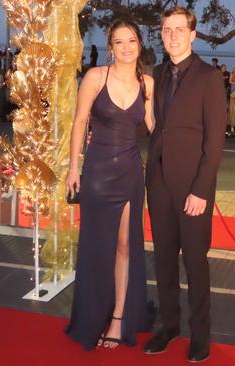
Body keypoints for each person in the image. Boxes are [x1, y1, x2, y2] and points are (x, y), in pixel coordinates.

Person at [64, 19, 155, 351]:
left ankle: (118, 316)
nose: (127, 47)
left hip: (131, 174)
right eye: (120, 42)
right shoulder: (95, 77)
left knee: (124, 247)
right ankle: (92, 314)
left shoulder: (148, 84)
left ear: (139, 45)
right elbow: (79, 121)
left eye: (132, 41)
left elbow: (155, 127)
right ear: (111, 47)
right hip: (98, 174)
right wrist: (74, 167)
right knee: (95, 248)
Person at [143, 7, 227, 363]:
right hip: (158, 183)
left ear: (193, 35)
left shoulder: (210, 77)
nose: (173, 35)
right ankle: (170, 326)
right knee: (162, 261)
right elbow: (150, 125)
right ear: (161, 35)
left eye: (180, 29)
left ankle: (201, 333)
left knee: (195, 263)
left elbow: (215, 143)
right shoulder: (155, 75)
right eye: (167, 29)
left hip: (192, 186)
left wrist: (201, 190)